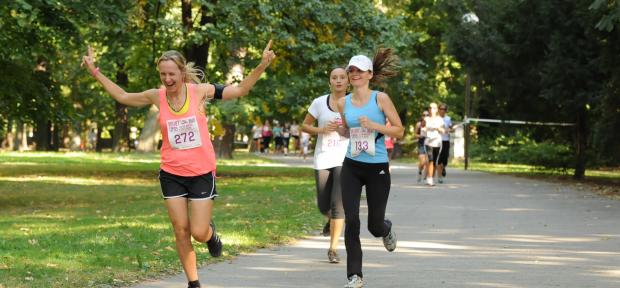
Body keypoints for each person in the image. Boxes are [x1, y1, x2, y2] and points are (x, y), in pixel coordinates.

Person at [82, 41, 275, 288]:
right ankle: (193, 283)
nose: (167, 79)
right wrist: (95, 72)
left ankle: (210, 234)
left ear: (182, 73)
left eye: (171, 74)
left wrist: (261, 65)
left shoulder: (199, 91)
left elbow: (240, 91)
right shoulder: (157, 95)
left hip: (201, 172)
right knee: (180, 230)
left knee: (197, 231)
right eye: (163, 74)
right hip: (171, 172)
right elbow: (122, 96)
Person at [336, 50, 403, 288]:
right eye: (351, 70)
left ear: (369, 74)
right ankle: (355, 275)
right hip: (352, 166)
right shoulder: (343, 102)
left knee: (374, 225)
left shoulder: (380, 99)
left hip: (377, 168)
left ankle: (386, 229)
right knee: (351, 220)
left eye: (359, 70)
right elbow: (347, 131)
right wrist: (339, 130)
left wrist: (375, 125)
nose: (354, 74)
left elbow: (399, 130)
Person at [301, 67, 349, 264]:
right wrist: (322, 129)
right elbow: (304, 126)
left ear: (348, 81)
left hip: (345, 159)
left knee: (339, 206)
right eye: (334, 78)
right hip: (323, 158)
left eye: (342, 77)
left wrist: (344, 129)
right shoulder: (319, 103)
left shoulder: (354, 103)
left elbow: (362, 128)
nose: (338, 81)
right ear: (329, 81)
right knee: (323, 205)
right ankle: (330, 219)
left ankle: (333, 249)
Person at [424, 102, 445, 186]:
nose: (431, 109)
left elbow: (443, 130)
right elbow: (422, 129)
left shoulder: (440, 119)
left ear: (436, 110)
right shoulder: (426, 119)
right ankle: (429, 178)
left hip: (437, 142)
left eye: (433, 108)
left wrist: (438, 128)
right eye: (430, 108)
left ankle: (431, 177)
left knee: (435, 162)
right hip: (428, 142)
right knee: (430, 160)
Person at [437, 103, 453, 183]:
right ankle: (439, 177)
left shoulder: (448, 118)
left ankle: (443, 167)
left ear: (446, 110)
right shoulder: (436, 118)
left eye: (444, 109)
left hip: (446, 141)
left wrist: (451, 129)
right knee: (438, 160)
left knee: (445, 159)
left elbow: (451, 128)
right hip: (437, 141)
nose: (442, 111)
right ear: (438, 110)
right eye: (441, 109)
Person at [415, 111, 429, 182]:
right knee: (422, 162)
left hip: (429, 144)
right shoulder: (419, 124)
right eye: (424, 115)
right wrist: (420, 135)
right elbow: (415, 134)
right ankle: (420, 171)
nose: (425, 116)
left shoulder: (431, 124)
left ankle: (426, 177)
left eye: (427, 115)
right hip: (421, 144)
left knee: (427, 161)